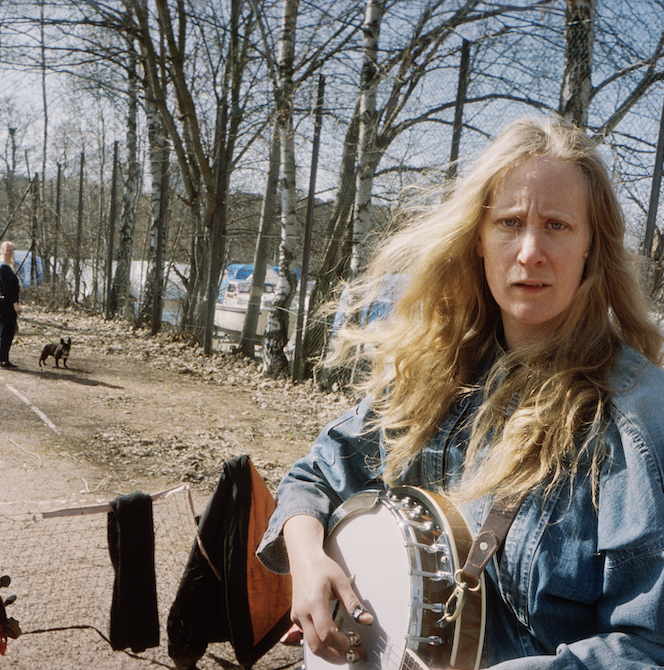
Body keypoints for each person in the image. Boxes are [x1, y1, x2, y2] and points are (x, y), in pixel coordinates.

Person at [257, 117, 664, 668]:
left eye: (558, 226)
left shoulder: (634, 421)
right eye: (510, 222)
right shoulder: (439, 372)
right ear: (478, 236)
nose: (529, 251)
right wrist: (308, 561)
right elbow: (316, 475)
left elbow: (646, 647)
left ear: (593, 245)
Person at [0, 241, 20, 369]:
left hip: (3, 303)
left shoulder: (2, 266)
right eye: (6, 250)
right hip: (6, 304)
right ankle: (3, 361)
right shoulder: (3, 267)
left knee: (0, 331)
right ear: (1, 251)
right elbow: (8, 288)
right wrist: (15, 304)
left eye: (11, 250)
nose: (9, 252)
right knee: (6, 332)